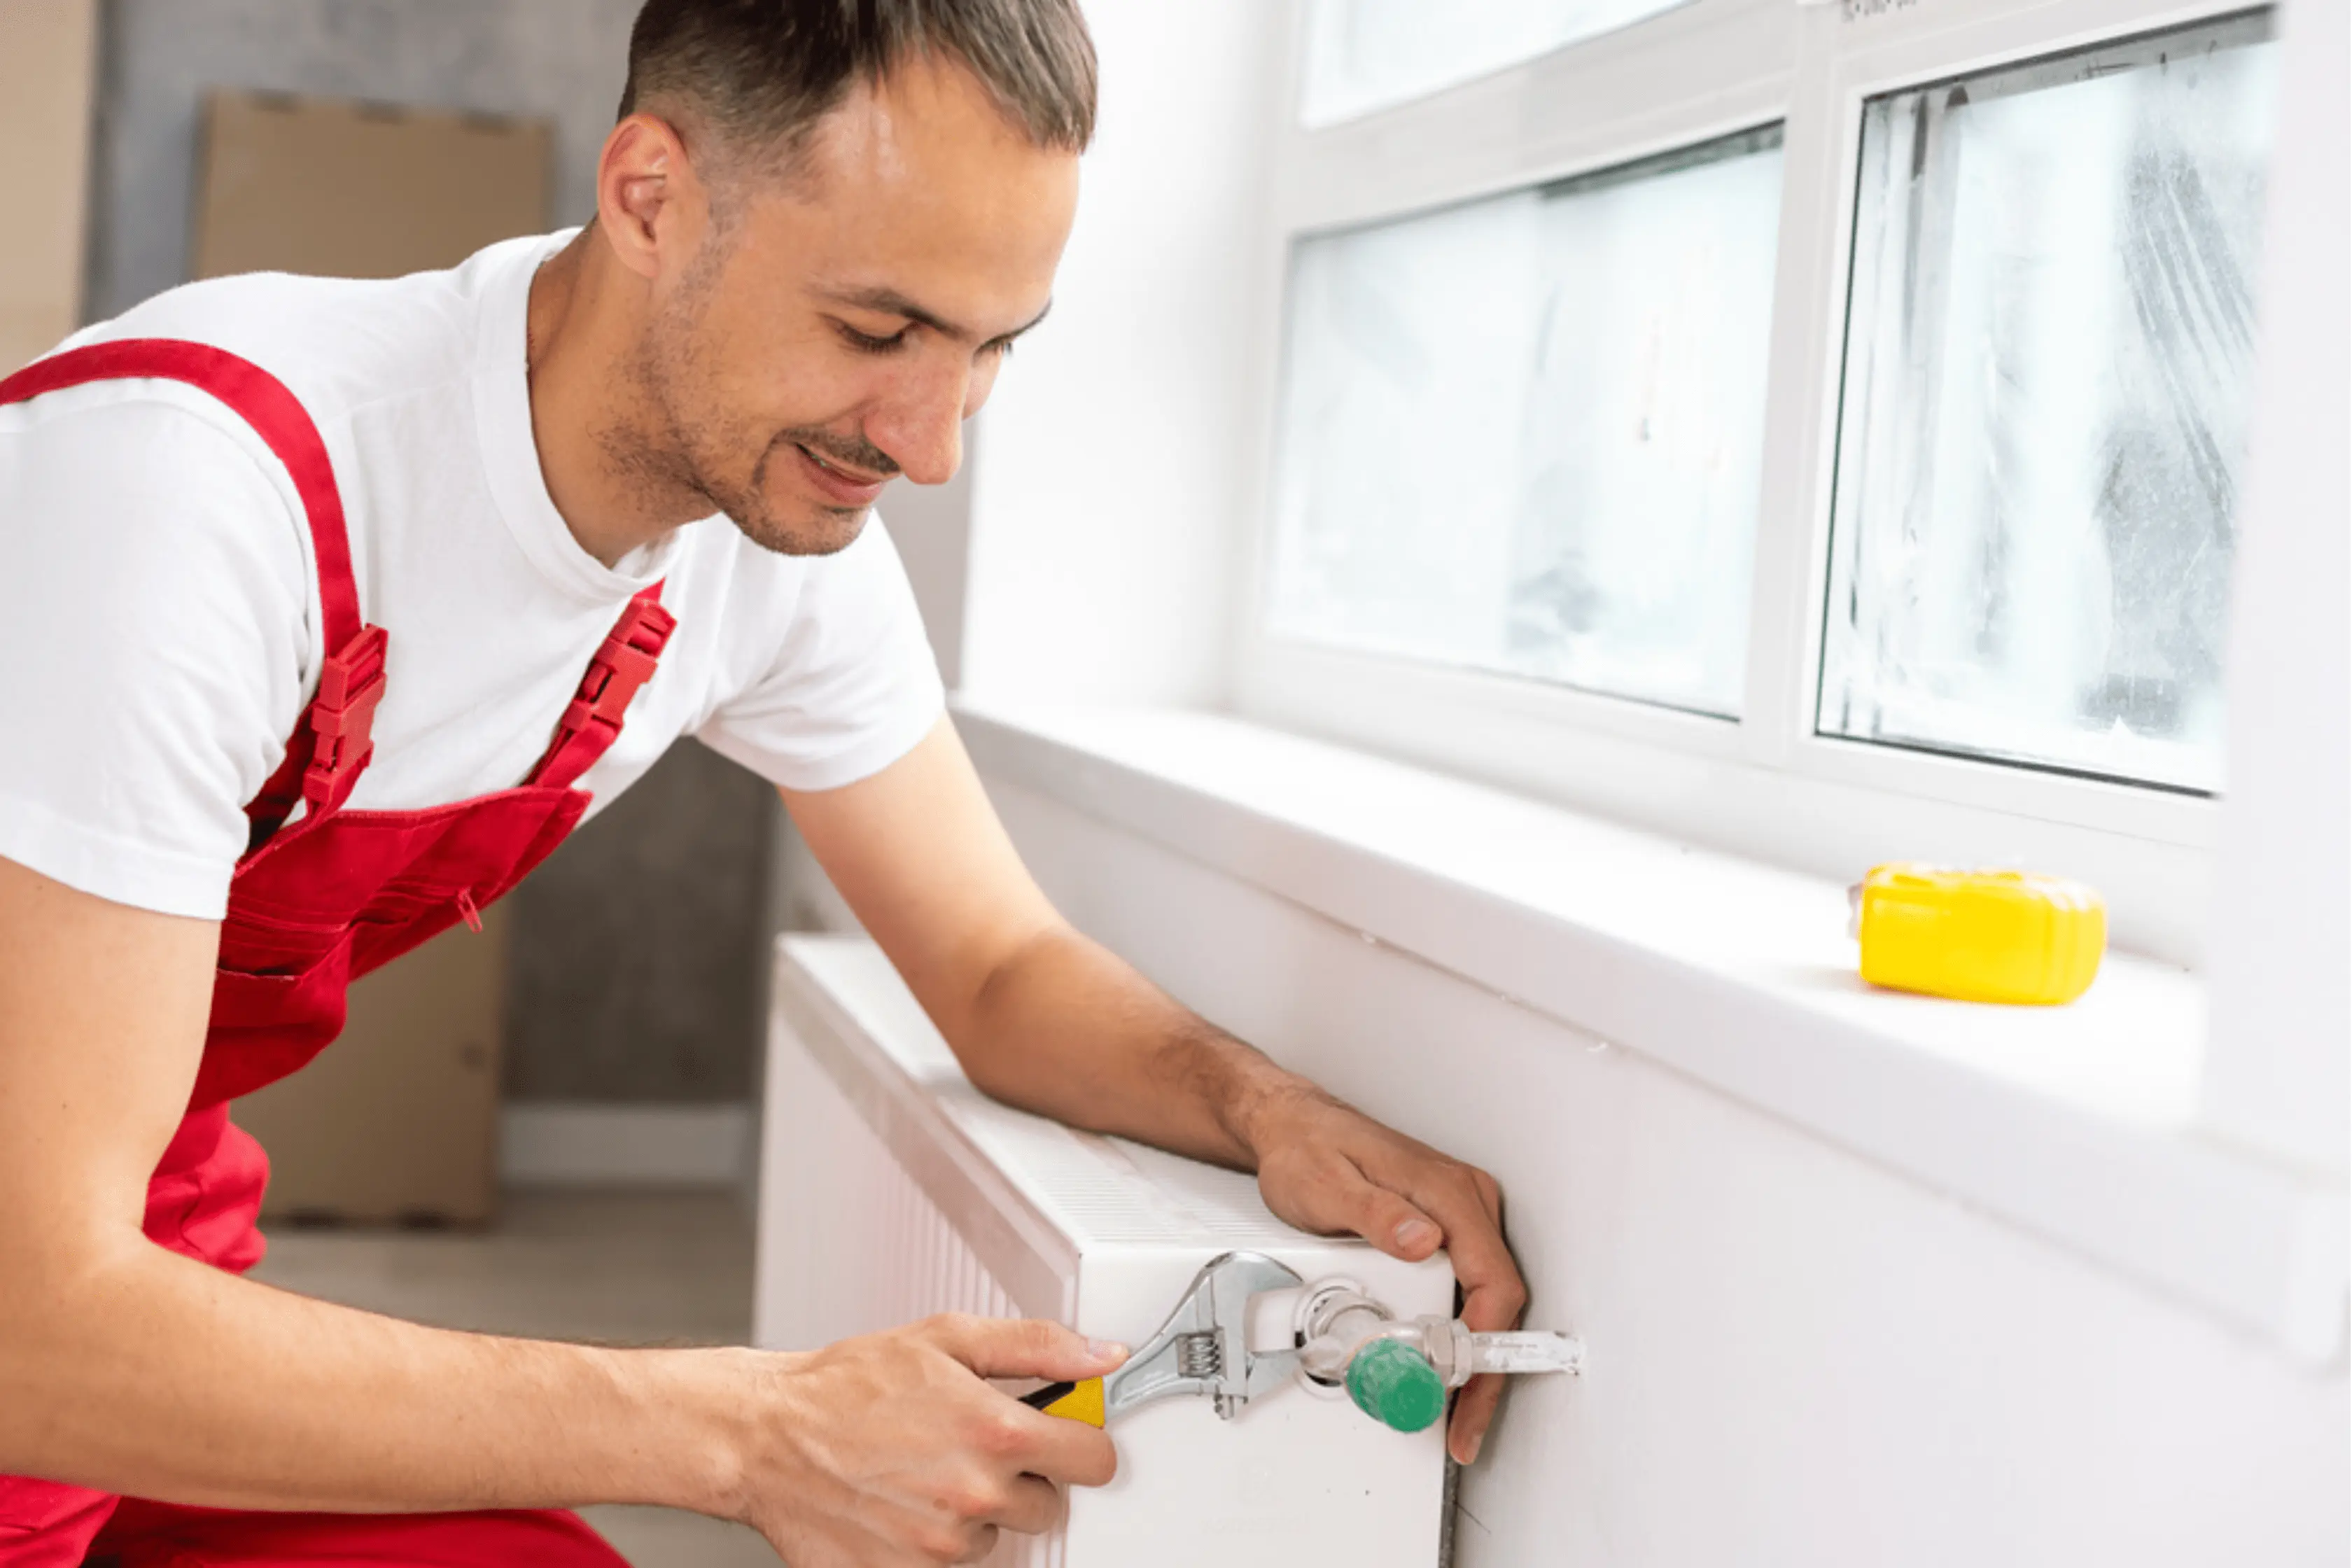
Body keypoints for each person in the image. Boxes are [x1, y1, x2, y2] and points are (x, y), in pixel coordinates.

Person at [0, 3, 1527, 1564]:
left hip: (136, 1272)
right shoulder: (199, 490)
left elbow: (999, 969)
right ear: (650, 194)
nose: (930, 446)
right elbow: (33, 1330)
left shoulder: (770, 551)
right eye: (879, 331)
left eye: (991, 348)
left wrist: (1267, 1109)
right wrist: (751, 1433)